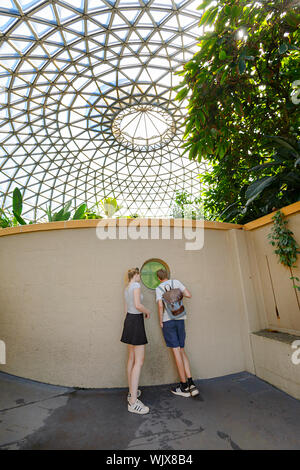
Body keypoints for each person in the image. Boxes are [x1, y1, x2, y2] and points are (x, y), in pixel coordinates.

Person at [155, 269, 199, 398]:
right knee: (182, 350)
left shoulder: (159, 288)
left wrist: (160, 321)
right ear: (168, 276)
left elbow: (160, 306)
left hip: (168, 321)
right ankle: (192, 383)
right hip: (180, 319)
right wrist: (177, 293)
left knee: (176, 353)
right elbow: (189, 295)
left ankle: (184, 386)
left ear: (158, 278)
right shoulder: (177, 282)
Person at [120, 267, 151, 414]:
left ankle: (131, 392)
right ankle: (133, 402)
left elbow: (126, 309)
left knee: (131, 358)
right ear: (136, 275)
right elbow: (138, 305)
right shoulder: (136, 285)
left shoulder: (126, 288)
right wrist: (148, 311)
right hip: (136, 321)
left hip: (129, 321)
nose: (140, 278)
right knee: (139, 360)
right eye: (140, 275)